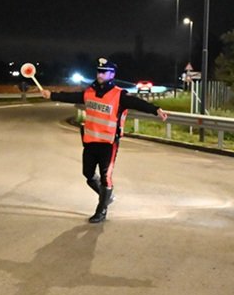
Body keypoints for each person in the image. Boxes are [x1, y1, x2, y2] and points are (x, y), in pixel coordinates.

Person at [41, 57, 168, 223]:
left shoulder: (119, 95)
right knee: (87, 174)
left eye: (104, 72)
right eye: (98, 71)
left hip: (108, 143)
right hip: (90, 141)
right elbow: (71, 97)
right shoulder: (89, 92)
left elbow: (137, 103)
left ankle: (101, 210)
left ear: (112, 74)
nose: (100, 74)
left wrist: (155, 109)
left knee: (105, 177)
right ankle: (107, 196)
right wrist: (51, 95)